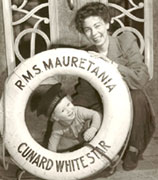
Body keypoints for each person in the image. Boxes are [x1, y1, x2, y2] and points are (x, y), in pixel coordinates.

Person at [73, 2, 156, 171]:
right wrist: (72, 111)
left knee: (137, 94)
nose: (94, 33)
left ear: (107, 23)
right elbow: (85, 94)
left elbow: (141, 78)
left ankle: (134, 148)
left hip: (134, 110)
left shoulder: (124, 41)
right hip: (107, 111)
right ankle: (112, 148)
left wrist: (113, 65)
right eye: (87, 29)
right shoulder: (89, 55)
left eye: (97, 26)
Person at [36, 83, 102, 152]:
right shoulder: (57, 128)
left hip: (95, 133)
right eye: (63, 110)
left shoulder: (78, 111)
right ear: (56, 118)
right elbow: (52, 145)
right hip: (79, 143)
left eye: (68, 104)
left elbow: (96, 114)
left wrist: (93, 128)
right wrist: (52, 155)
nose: (69, 110)